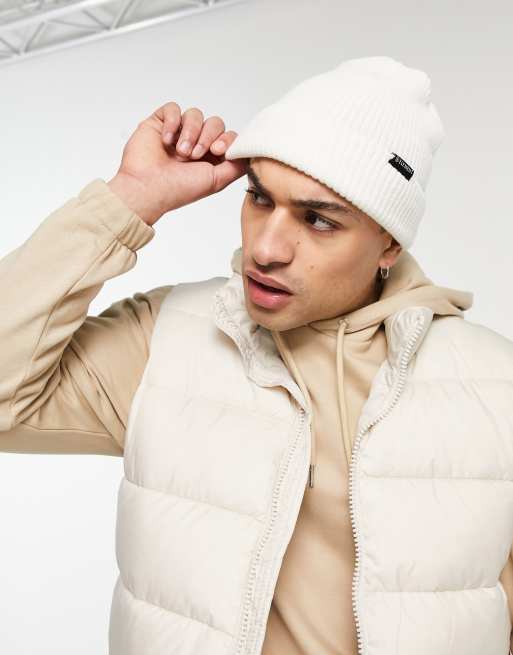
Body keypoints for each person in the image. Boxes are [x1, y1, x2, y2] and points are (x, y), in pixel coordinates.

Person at [1, 55, 513, 655]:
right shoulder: (165, 340)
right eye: (260, 198)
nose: (265, 249)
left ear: (389, 244)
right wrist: (129, 200)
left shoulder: (495, 386)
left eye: (318, 220)